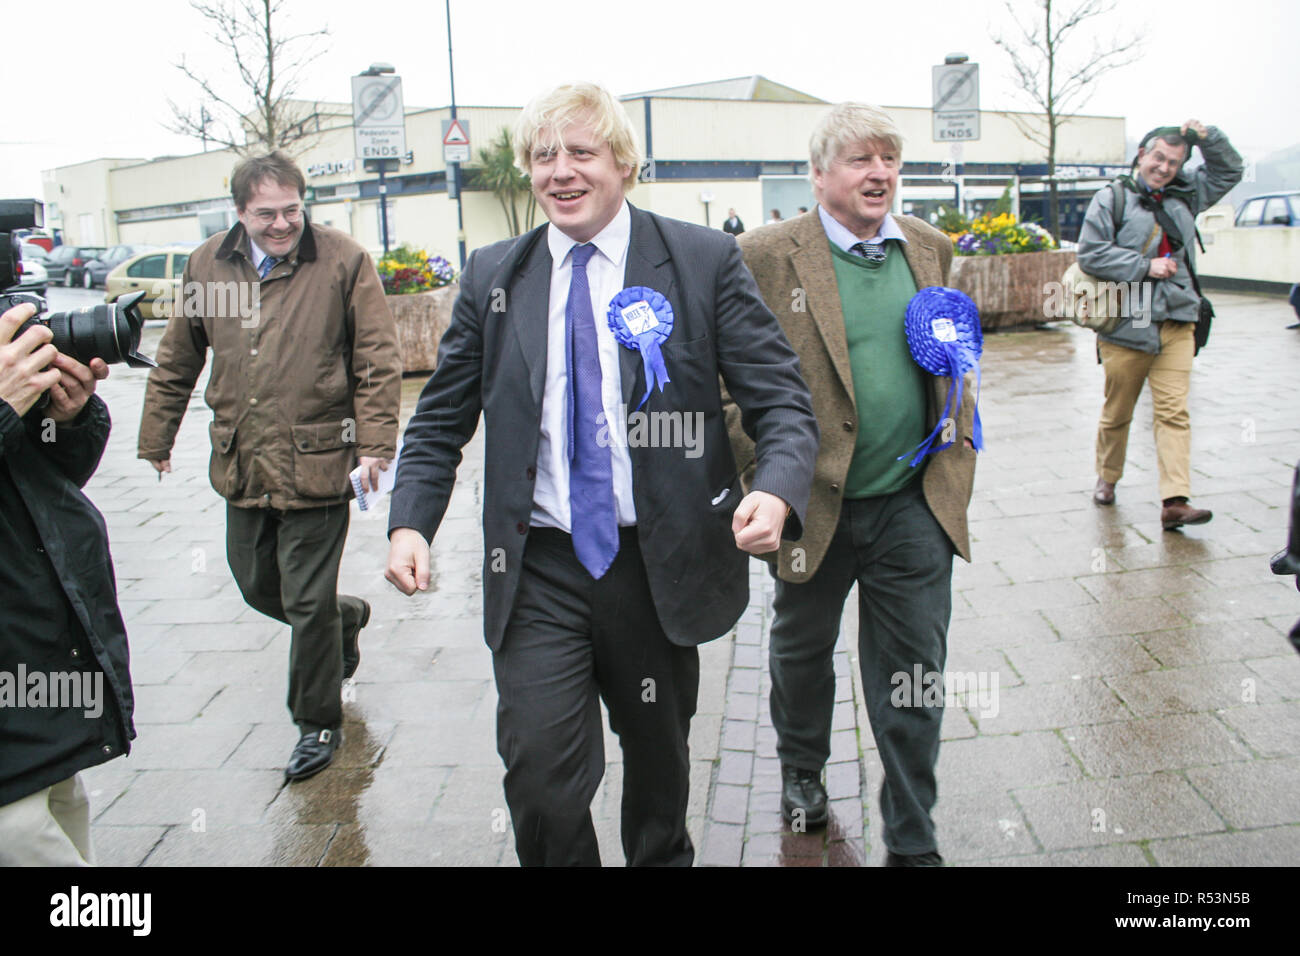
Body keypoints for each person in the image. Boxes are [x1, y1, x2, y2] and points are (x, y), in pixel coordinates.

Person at [385, 81, 818, 867]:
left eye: (581, 152)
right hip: (539, 566)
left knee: (659, 772)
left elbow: (782, 400)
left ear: (623, 162)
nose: (560, 171)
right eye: (543, 156)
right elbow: (441, 419)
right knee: (543, 781)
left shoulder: (700, 260)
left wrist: (777, 486)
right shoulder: (494, 275)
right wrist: (411, 520)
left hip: (656, 566)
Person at [727, 103, 976, 866]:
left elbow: (953, 353)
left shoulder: (928, 247)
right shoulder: (765, 253)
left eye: (889, 160)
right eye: (861, 160)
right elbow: (729, 380)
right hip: (814, 503)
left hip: (913, 503)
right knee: (802, 651)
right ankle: (803, 772)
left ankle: (911, 830)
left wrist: (957, 447)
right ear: (819, 173)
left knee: (914, 672)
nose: (879, 174)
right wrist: (765, 474)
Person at [138, 151, 401, 781]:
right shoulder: (208, 264)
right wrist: (157, 436)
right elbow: (178, 357)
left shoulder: (342, 259)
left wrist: (374, 446)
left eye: (291, 210)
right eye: (266, 214)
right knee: (258, 585)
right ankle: (347, 616)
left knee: (305, 602)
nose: (282, 224)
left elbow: (377, 357)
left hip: (319, 459)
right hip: (243, 459)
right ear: (239, 212)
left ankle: (316, 723)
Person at [0, 302, 134, 865]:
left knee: (59, 800)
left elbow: (42, 478)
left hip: (34, 646)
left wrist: (64, 417)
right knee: (21, 829)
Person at [1080, 121, 1242, 528]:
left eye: (1174, 161)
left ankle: (1175, 500)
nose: (1165, 167)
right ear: (1142, 155)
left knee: (1174, 412)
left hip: (1178, 319)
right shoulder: (1112, 198)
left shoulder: (1189, 193)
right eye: (1159, 158)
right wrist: (1143, 266)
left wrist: (1208, 138)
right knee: (1118, 411)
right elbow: (1091, 254)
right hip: (1127, 322)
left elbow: (1230, 171)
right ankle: (1108, 477)